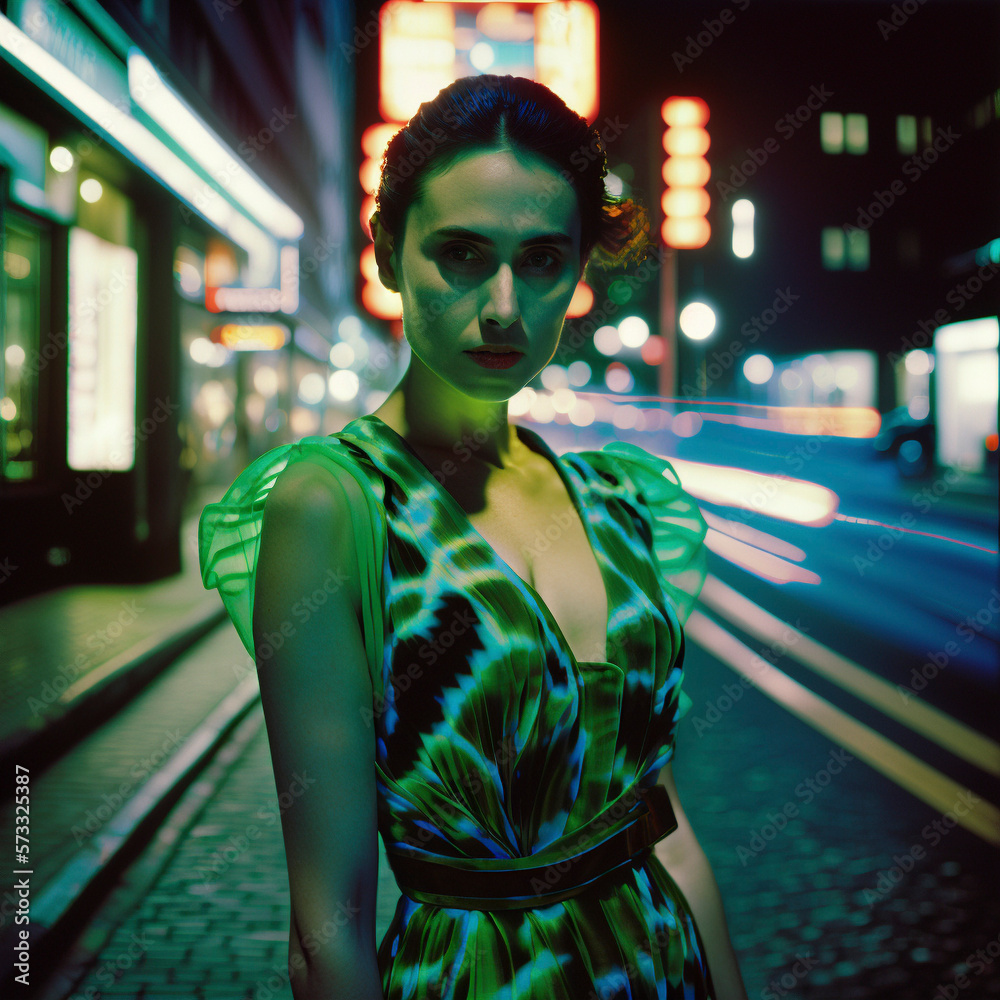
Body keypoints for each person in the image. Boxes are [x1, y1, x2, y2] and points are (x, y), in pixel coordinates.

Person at [200, 74, 748, 1000]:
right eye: (461, 254)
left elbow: (664, 827)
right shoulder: (335, 504)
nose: (502, 306)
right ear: (387, 252)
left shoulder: (616, 499)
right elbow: (326, 930)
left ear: (577, 272)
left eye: (541, 261)